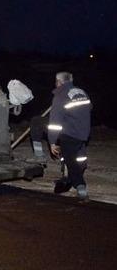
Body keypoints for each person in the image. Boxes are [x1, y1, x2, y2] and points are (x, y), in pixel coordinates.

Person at [47, 71, 92, 201]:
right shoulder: (82, 92)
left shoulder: (60, 96)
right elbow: (89, 108)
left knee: (70, 160)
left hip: (70, 133)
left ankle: (80, 186)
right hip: (84, 132)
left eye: (56, 81)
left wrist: (52, 141)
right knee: (78, 157)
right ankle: (68, 178)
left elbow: (55, 122)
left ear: (59, 82)